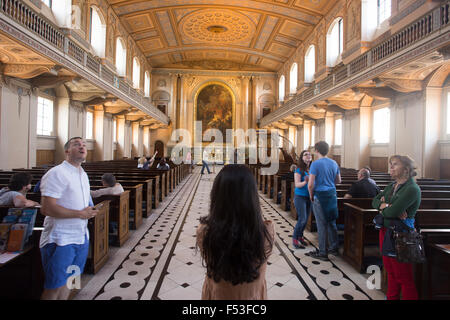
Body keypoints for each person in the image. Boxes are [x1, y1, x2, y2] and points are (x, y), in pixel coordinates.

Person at [196, 165, 274, 299]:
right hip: (252, 295)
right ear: (252, 195)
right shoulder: (266, 230)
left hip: (218, 294)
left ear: (217, 194)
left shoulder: (205, 231)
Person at [39, 137, 98, 300]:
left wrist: (90, 211)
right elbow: (47, 208)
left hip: (80, 237)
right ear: (67, 151)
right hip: (60, 239)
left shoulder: (82, 173)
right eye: (76, 144)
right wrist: (80, 214)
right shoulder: (57, 173)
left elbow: (83, 202)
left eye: (84, 145)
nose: (82, 146)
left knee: (70, 284)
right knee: (54, 288)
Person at [372, 155, 420, 300]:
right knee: (390, 272)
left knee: (404, 277)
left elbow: (393, 212)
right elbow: (374, 201)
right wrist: (386, 206)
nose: (391, 167)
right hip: (386, 231)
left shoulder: (412, 189)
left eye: (395, 164)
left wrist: (386, 207)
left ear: (406, 169)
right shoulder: (392, 185)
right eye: (390, 164)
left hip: (401, 235)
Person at [306, 141, 341, 261]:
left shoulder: (315, 164)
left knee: (321, 225)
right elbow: (338, 181)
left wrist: (311, 195)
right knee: (331, 222)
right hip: (331, 195)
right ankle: (334, 248)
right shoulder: (334, 162)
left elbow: (310, 184)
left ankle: (322, 252)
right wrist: (329, 184)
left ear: (316, 150)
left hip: (320, 195)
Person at [292, 150, 313, 249]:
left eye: (309, 154)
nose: (308, 156)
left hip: (309, 197)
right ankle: (295, 239)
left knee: (305, 220)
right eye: (306, 154)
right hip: (300, 197)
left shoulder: (312, 169)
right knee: (302, 219)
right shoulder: (298, 169)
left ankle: (300, 237)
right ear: (302, 157)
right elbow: (297, 184)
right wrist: (305, 182)